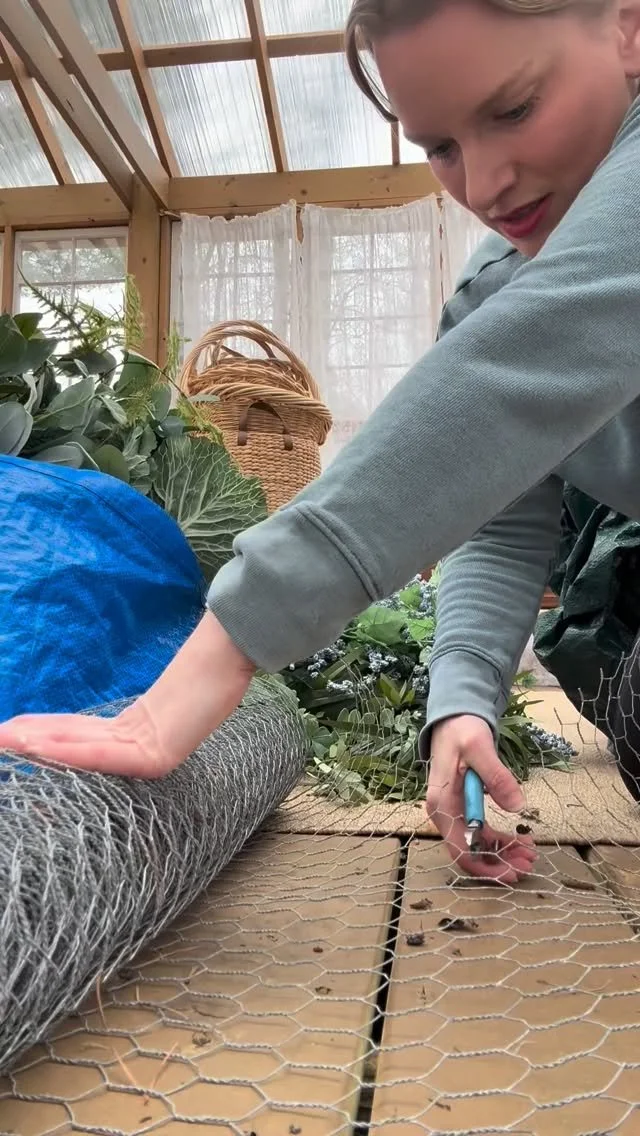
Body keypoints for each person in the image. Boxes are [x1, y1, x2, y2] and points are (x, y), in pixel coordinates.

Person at [2, 0, 640, 886]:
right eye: (441, 146)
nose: (487, 183)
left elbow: (504, 385)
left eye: (514, 109)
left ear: (627, 28)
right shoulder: (492, 292)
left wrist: (216, 658)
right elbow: (498, 514)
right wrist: (463, 700)